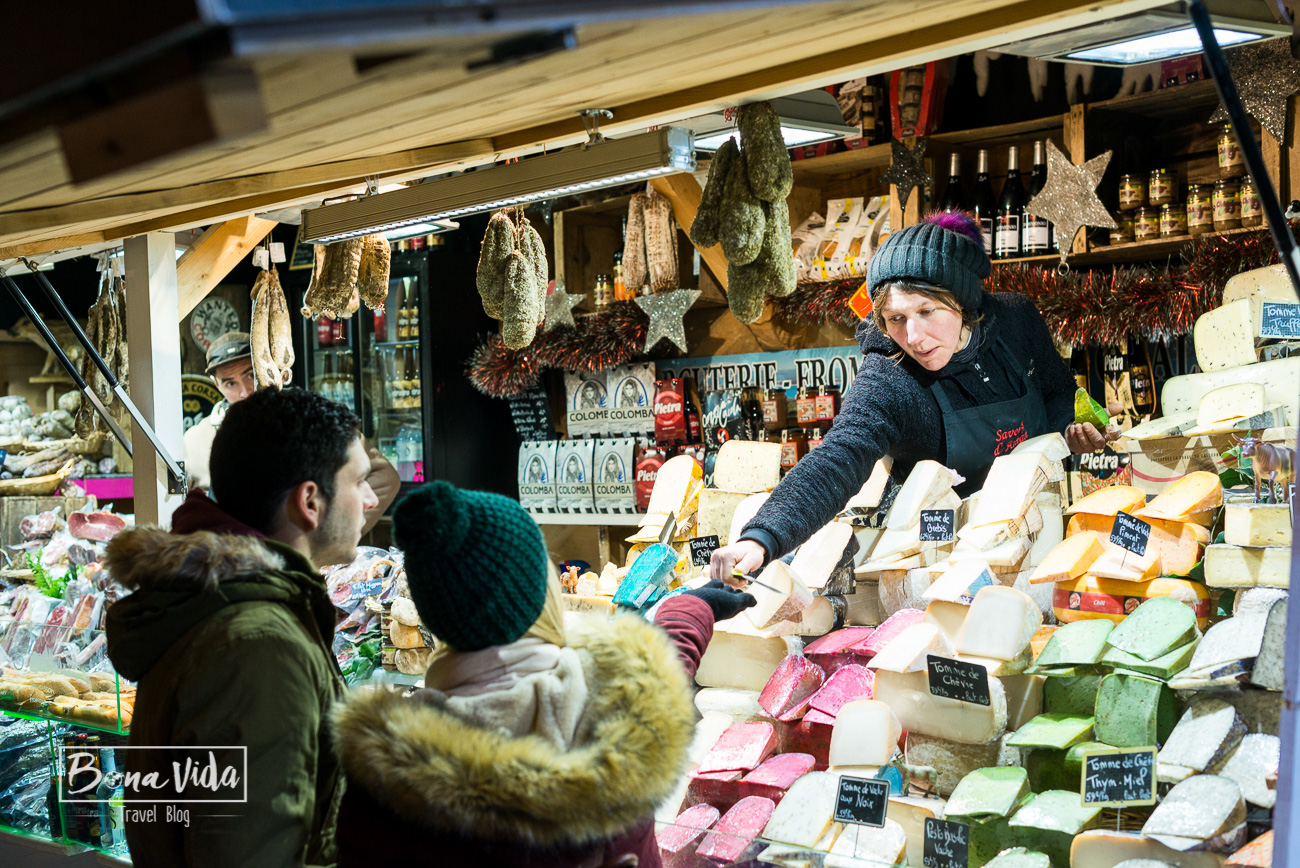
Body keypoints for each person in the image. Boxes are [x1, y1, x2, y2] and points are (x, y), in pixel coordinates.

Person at [331, 480, 756, 868]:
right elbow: (656, 676)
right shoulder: (618, 717)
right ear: (539, 593)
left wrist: (690, 608)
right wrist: (696, 608)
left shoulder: (378, 791)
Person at [711, 211, 1115, 580]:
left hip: (1043, 530)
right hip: (942, 559)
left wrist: (1071, 428)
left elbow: (1058, 392)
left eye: (927, 311)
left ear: (962, 301)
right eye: (896, 320)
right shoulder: (889, 376)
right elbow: (838, 457)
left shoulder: (1015, 320)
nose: (915, 338)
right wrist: (761, 537)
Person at [105, 388, 380, 868]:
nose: (373, 499)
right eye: (360, 481)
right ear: (310, 501)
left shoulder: (235, 611)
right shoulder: (260, 646)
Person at [184, 330, 400, 533]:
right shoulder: (195, 440)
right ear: (216, 385)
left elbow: (384, 477)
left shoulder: (307, 418)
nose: (244, 392)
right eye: (230, 383)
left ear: (266, 366)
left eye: (251, 375)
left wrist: (332, 537)